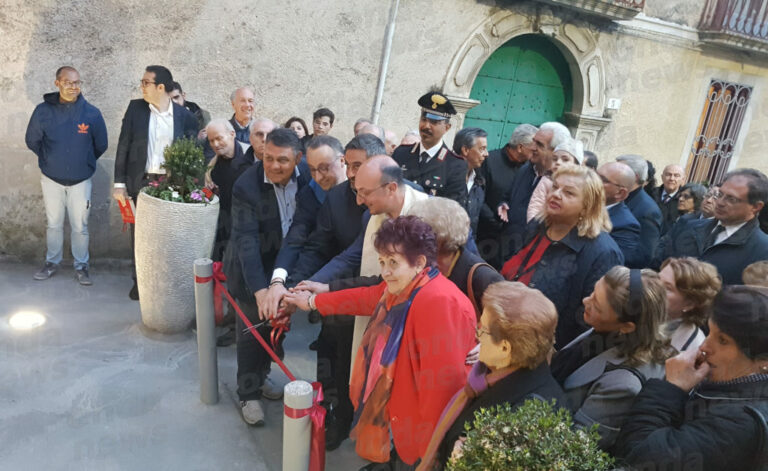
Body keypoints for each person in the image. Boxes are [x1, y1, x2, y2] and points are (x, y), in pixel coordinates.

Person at [283, 216, 477, 469]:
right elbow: (366, 297)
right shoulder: (407, 288)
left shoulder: (437, 301)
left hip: (421, 438)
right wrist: (311, 302)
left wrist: (429, 456)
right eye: (383, 261)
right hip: (403, 423)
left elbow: (442, 388)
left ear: (419, 262)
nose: (385, 271)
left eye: (393, 263)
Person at [614, 285, 768, 471]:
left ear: (763, 361)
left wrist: (671, 389)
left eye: (723, 340)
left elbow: (637, 456)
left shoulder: (739, 424)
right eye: (710, 332)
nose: (704, 346)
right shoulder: (726, 381)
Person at [417, 281, 565, 471]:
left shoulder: (528, 416)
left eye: (482, 329)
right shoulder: (488, 375)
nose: (477, 336)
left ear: (504, 348)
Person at [222, 128, 310, 426]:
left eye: (282, 160)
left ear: (298, 158)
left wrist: (282, 284)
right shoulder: (246, 185)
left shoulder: (308, 177)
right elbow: (245, 241)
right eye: (268, 158)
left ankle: (261, 378)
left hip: (286, 269)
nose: (273, 166)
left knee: (277, 327)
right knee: (252, 333)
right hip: (252, 269)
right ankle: (248, 394)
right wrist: (260, 290)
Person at [500, 165, 623, 347]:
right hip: (506, 328)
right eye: (555, 187)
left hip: (547, 349)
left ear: (587, 206)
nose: (556, 194)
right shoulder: (538, 225)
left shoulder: (602, 252)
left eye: (569, 193)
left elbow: (589, 320)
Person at [550, 266, 672, 450]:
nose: (585, 300)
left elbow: (574, 447)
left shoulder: (623, 386)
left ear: (627, 326)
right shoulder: (608, 331)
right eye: (593, 292)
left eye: (597, 305)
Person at [112, 65, 198, 300]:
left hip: (171, 184)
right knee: (140, 236)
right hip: (141, 181)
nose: (142, 87)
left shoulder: (185, 117)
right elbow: (124, 145)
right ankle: (139, 282)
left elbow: (192, 154)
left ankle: (167, 282)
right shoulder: (136, 109)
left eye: (145, 82)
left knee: (169, 236)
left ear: (161, 87)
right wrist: (119, 182)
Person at [26, 66, 108, 285]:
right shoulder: (43, 111)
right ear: (58, 84)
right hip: (51, 179)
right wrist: (49, 160)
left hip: (81, 180)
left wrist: (84, 161)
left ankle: (81, 266)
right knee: (53, 223)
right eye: (69, 83)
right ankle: (52, 262)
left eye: (77, 83)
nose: (74, 87)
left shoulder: (91, 113)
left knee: (80, 226)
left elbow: (101, 144)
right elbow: (32, 140)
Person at [654, 168, 768, 284]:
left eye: (731, 199)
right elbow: (658, 264)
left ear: (756, 207)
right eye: (720, 194)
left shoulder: (762, 250)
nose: (720, 202)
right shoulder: (688, 227)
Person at [497, 122, 570, 262]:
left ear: (555, 150)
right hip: (505, 250)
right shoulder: (526, 169)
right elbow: (508, 195)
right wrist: (503, 204)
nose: (532, 147)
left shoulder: (561, 184)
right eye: (534, 141)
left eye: (540, 145)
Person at [476, 123, 538, 267]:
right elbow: (478, 195)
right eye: (533, 149)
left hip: (511, 242)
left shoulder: (528, 170)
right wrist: (494, 222)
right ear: (521, 147)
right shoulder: (489, 161)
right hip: (484, 234)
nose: (536, 152)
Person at [392, 91, 468, 205]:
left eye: (434, 122)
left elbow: (453, 209)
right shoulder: (401, 153)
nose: (426, 126)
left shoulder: (455, 165)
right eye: (424, 119)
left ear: (447, 127)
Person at [205, 119, 254, 261]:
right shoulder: (212, 166)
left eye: (219, 138)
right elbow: (208, 194)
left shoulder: (250, 156)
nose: (215, 144)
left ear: (232, 134)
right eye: (211, 140)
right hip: (224, 222)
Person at [659, 257, 721, 352]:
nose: (655, 288)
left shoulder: (693, 348)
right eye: (657, 280)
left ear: (689, 304)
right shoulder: (641, 313)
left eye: (667, 288)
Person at [616, 154, 662, 268]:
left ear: (635, 177)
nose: (613, 173)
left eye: (619, 170)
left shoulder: (648, 211)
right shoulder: (617, 196)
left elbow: (644, 255)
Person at [526, 137, 583, 222]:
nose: (558, 162)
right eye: (555, 159)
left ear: (577, 164)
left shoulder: (581, 185)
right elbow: (535, 205)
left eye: (565, 160)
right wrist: (533, 226)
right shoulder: (547, 180)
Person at [597, 162, 641, 266]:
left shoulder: (626, 226)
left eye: (602, 180)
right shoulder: (580, 203)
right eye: (594, 175)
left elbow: (611, 265)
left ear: (620, 193)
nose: (592, 181)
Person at [453, 127, 488, 236]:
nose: (486, 154)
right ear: (465, 150)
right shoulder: (446, 176)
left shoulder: (479, 181)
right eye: (482, 149)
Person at [653, 164, 685, 234]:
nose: (672, 179)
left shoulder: (685, 201)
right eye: (668, 174)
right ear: (662, 177)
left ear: (683, 180)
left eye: (676, 176)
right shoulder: (650, 193)